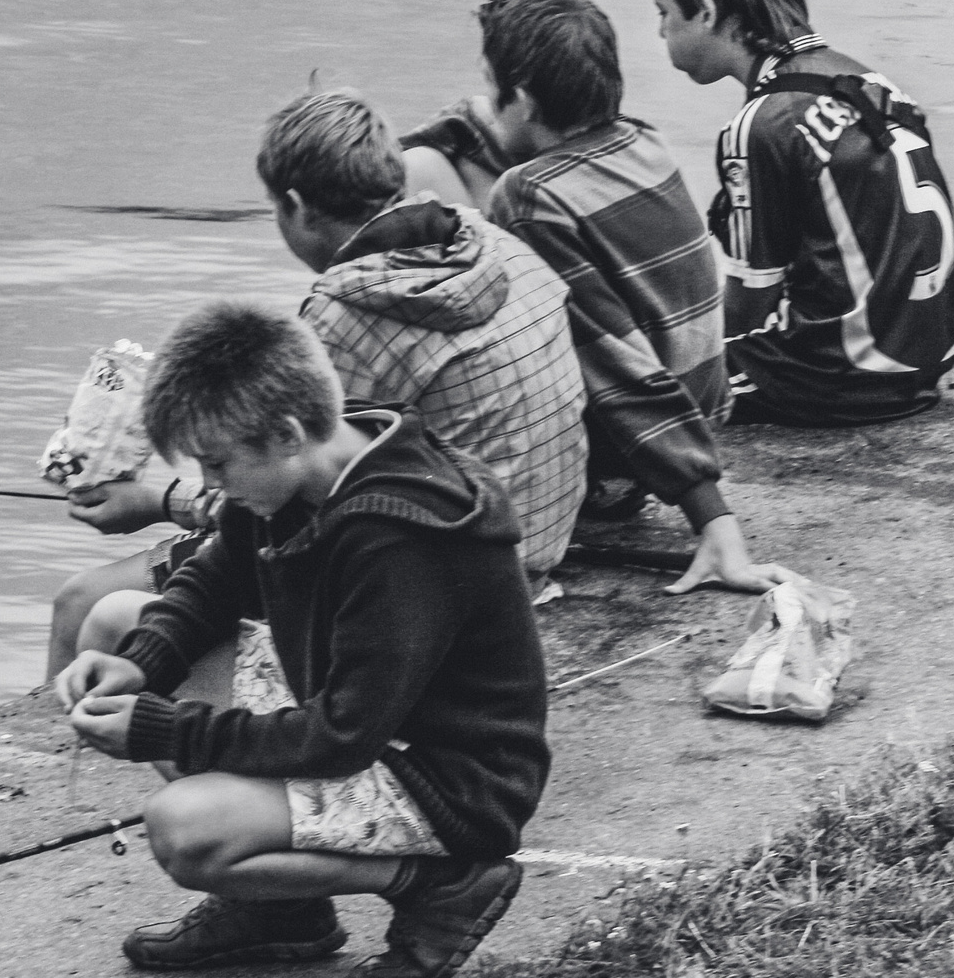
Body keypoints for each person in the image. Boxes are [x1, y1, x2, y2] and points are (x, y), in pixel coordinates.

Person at [55, 300, 546, 978]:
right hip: (360, 718)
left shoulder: (401, 537)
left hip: (446, 776)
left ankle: (439, 882)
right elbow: (218, 573)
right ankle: (280, 904)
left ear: (285, 433)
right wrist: (142, 663)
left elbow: (341, 735)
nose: (211, 482)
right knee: (114, 623)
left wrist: (158, 729)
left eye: (217, 462)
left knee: (183, 831)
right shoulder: (307, 468)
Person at [48, 91, 589, 674]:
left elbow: (278, 485)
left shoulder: (343, 312)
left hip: (432, 577)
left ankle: (74, 744)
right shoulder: (497, 243)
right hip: (532, 546)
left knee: (82, 603)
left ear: (298, 205)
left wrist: (155, 501)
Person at [402, 0, 783, 596]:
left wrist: (712, 518)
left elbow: (616, 364)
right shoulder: (643, 140)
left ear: (523, 100)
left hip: (628, 456)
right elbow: (478, 123)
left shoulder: (528, 196)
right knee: (431, 166)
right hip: (699, 409)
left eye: (491, 86)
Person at [640, 0, 954, 427]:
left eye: (662, 13)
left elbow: (747, 304)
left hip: (841, 380)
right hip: (928, 357)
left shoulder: (760, 125)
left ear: (703, 11)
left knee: (644, 381)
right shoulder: (865, 81)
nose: (659, 31)